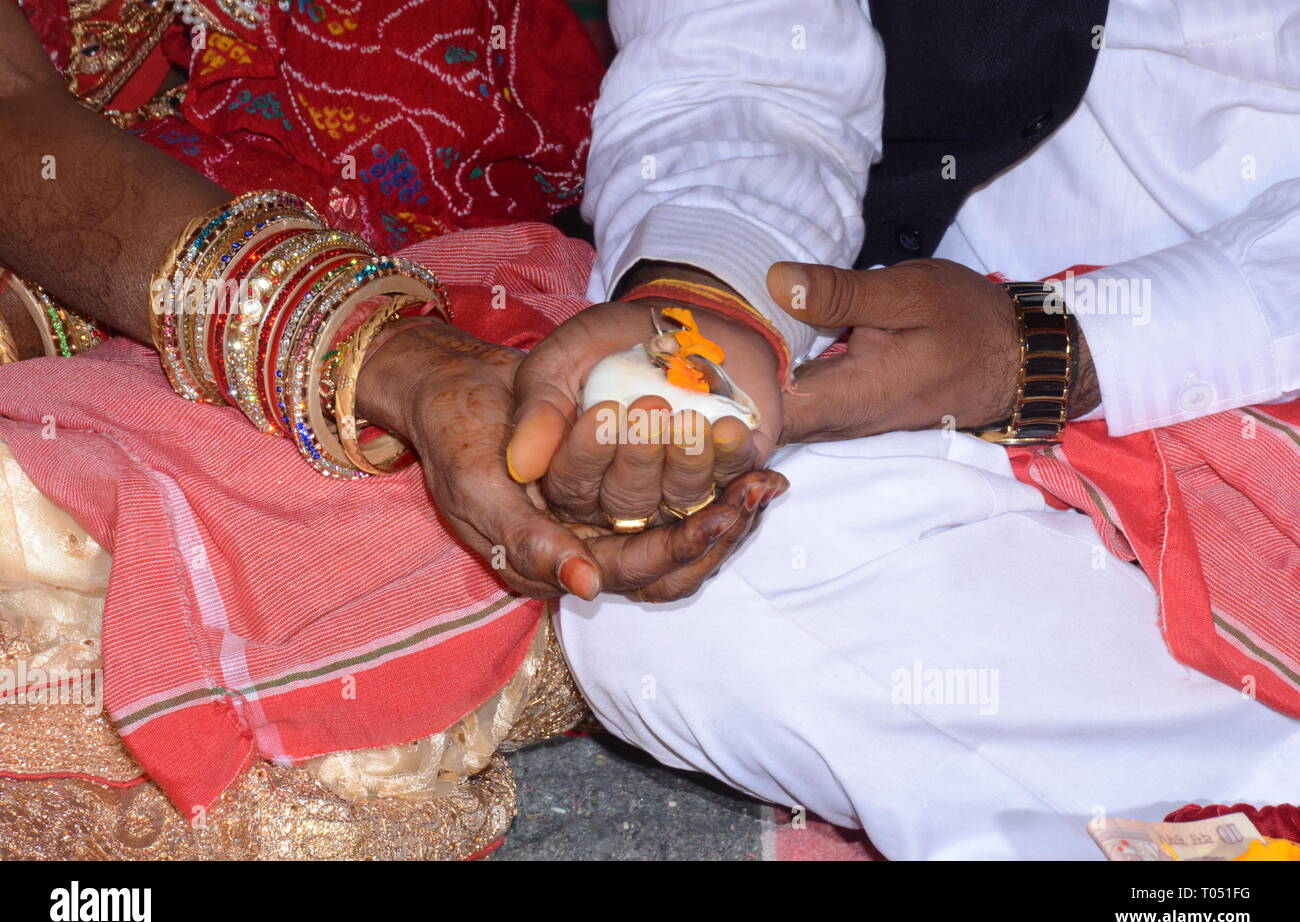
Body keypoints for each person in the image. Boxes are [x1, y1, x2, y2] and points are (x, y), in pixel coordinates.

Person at [0, 0, 786, 857]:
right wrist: (388, 358)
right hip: (190, 332)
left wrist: (410, 363)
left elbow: (739, 92)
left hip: (431, 298)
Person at [519, 0, 1300, 858]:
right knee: (684, 592)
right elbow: (742, 60)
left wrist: (1056, 347)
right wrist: (712, 300)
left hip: (1247, 347)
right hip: (969, 375)